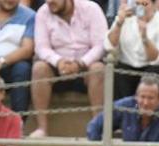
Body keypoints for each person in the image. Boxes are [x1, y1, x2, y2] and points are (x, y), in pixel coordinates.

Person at [30, 0, 107, 137]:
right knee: (39, 68)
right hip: (57, 67)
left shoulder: (91, 9)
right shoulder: (43, 12)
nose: (50, 2)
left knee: (98, 68)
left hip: (85, 67)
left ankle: (97, 128)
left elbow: (100, 45)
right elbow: (41, 47)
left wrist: (80, 63)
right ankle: (42, 129)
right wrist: (58, 61)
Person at [107, 0, 159, 100]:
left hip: (151, 68)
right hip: (127, 66)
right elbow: (110, 45)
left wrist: (144, 38)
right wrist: (119, 23)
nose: (140, 8)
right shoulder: (125, 18)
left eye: (145, 4)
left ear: (154, 5)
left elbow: (157, 59)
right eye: (137, 4)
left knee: (152, 74)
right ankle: (121, 112)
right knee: (119, 72)